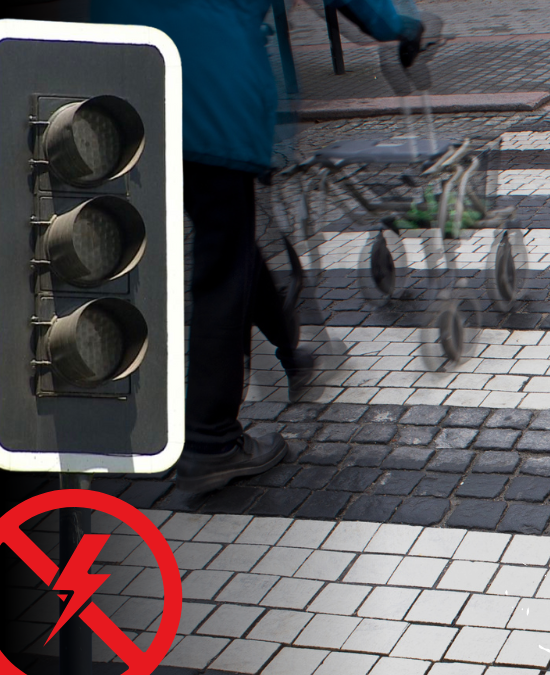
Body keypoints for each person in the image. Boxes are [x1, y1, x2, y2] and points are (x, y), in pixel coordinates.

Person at [90, 0, 424, 493]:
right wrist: (399, 26)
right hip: (209, 94)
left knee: (232, 242)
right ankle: (211, 441)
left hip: (119, 92)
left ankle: (291, 350)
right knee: (223, 266)